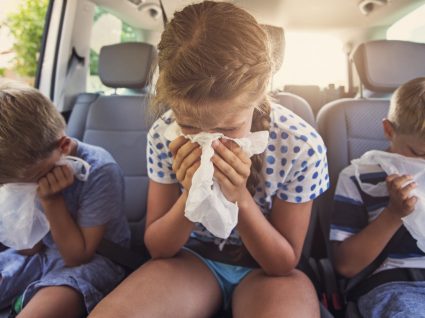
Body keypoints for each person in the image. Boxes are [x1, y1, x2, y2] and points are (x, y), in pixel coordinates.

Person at [89, 2, 329, 317]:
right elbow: (159, 248)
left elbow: (283, 263)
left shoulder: (300, 146)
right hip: (192, 260)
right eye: (189, 126)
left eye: (229, 128)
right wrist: (193, 194)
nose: (209, 141)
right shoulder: (165, 135)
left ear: (259, 95)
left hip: (265, 271)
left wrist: (239, 198)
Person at [0, 79, 130, 317]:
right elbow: (29, 248)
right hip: (42, 254)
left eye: (35, 176)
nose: (30, 187)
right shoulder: (24, 173)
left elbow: (77, 256)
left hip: (93, 262)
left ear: (64, 145)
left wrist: (52, 201)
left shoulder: (100, 170)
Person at [330, 77, 425, 317]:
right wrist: (394, 214)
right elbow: (345, 265)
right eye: (418, 153)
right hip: (394, 285)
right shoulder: (358, 177)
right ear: (388, 130)